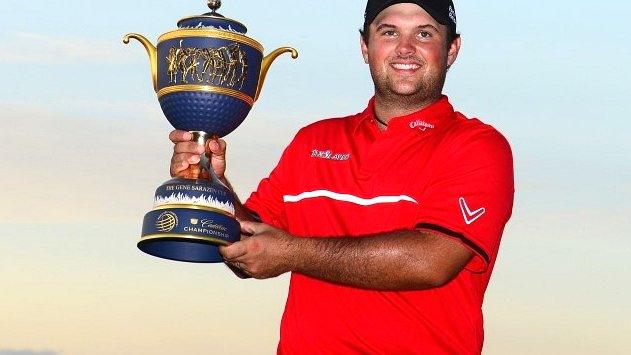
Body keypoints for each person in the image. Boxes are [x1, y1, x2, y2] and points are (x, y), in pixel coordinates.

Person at [169, 0, 514, 353]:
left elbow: (431, 261)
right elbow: (250, 244)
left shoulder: (477, 146)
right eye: (389, 32)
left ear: (452, 49)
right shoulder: (313, 141)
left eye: (424, 34)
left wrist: (292, 253)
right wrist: (210, 183)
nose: (405, 48)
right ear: (365, 46)